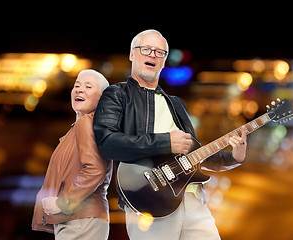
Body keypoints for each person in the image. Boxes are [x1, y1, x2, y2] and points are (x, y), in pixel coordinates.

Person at [93, 29, 248, 240]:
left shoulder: (176, 104)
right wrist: (166, 142)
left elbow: (195, 154)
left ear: (164, 61)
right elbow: (107, 143)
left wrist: (234, 158)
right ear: (132, 54)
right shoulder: (117, 95)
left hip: (193, 200)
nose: (152, 55)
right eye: (146, 49)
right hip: (150, 202)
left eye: (159, 52)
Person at [32, 69, 112, 240]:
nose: (79, 89)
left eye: (88, 86)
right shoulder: (82, 127)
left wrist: (63, 202)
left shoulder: (86, 123)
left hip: (80, 219)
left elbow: (96, 169)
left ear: (102, 99)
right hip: (79, 219)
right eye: (77, 85)